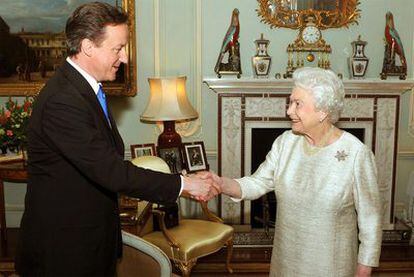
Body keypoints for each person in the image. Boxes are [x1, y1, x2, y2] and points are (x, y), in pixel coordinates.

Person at [15, 2, 218, 276]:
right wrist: (184, 185)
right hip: (64, 253)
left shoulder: (87, 90)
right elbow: (111, 171)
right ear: (88, 46)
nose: (123, 58)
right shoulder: (63, 100)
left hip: (90, 243)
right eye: (117, 48)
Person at [201, 67, 382, 277]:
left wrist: (364, 268)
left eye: (298, 104)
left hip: (332, 266)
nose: (289, 111)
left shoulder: (356, 153)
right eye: (290, 102)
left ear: (322, 111)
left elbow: (371, 219)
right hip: (286, 262)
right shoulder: (285, 143)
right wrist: (220, 183)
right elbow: (257, 182)